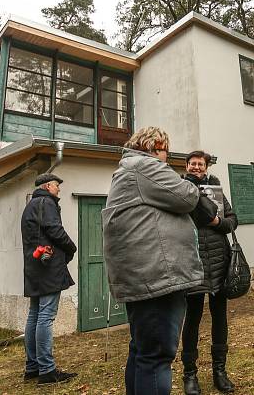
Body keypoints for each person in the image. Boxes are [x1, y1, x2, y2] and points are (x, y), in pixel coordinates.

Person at [102, 127, 218, 395]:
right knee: (156, 356)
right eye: (167, 150)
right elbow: (187, 196)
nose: (168, 157)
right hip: (157, 277)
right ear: (155, 146)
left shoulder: (129, 169)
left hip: (144, 276)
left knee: (143, 351)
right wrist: (191, 182)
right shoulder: (145, 166)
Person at [180, 150, 239, 395]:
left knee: (220, 318)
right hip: (192, 262)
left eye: (200, 164)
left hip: (219, 262)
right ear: (186, 166)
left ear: (206, 167)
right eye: (192, 164)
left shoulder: (217, 189)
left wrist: (217, 223)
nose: (196, 167)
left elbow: (232, 220)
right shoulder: (180, 190)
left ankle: (219, 371)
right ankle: (189, 374)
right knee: (192, 318)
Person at [20, 172, 78, 385]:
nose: (58, 189)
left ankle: (32, 367)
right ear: (46, 186)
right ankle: (47, 370)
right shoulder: (46, 202)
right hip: (48, 268)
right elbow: (55, 230)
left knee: (34, 315)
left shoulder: (31, 204)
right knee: (45, 316)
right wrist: (72, 247)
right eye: (56, 185)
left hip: (34, 266)